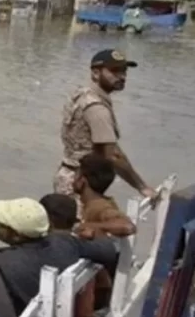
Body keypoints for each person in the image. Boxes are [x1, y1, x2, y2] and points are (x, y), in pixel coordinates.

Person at [54, 49, 156, 205]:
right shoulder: (97, 108)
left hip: (68, 175)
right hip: (82, 185)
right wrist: (142, 187)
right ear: (96, 73)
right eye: (114, 71)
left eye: (124, 71)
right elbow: (113, 155)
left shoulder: (81, 94)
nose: (122, 76)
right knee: (85, 228)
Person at [0, 197, 118, 315]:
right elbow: (109, 251)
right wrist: (91, 233)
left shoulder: (4, 263)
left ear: (16, 235)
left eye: (1, 224)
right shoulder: (64, 242)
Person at [72, 154, 136, 317]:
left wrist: (91, 225)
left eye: (76, 174)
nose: (73, 178)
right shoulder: (95, 203)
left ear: (82, 180)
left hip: (100, 289)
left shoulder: (98, 206)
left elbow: (127, 226)